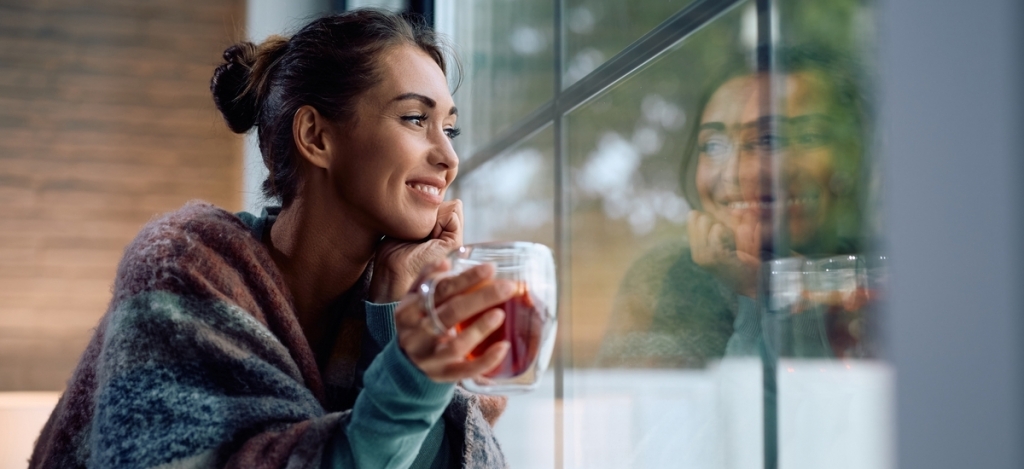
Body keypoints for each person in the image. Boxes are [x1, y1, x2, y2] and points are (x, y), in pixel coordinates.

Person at [31, 9, 513, 469]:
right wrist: (412, 371)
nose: (448, 156)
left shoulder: (391, 293)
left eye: (450, 128)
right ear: (316, 137)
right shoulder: (181, 268)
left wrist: (393, 303)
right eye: (415, 119)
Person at [597, 47, 871, 368]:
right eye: (713, 145)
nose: (734, 174)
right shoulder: (671, 277)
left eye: (771, 140)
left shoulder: (881, 277)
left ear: (850, 156)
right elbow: (660, 411)